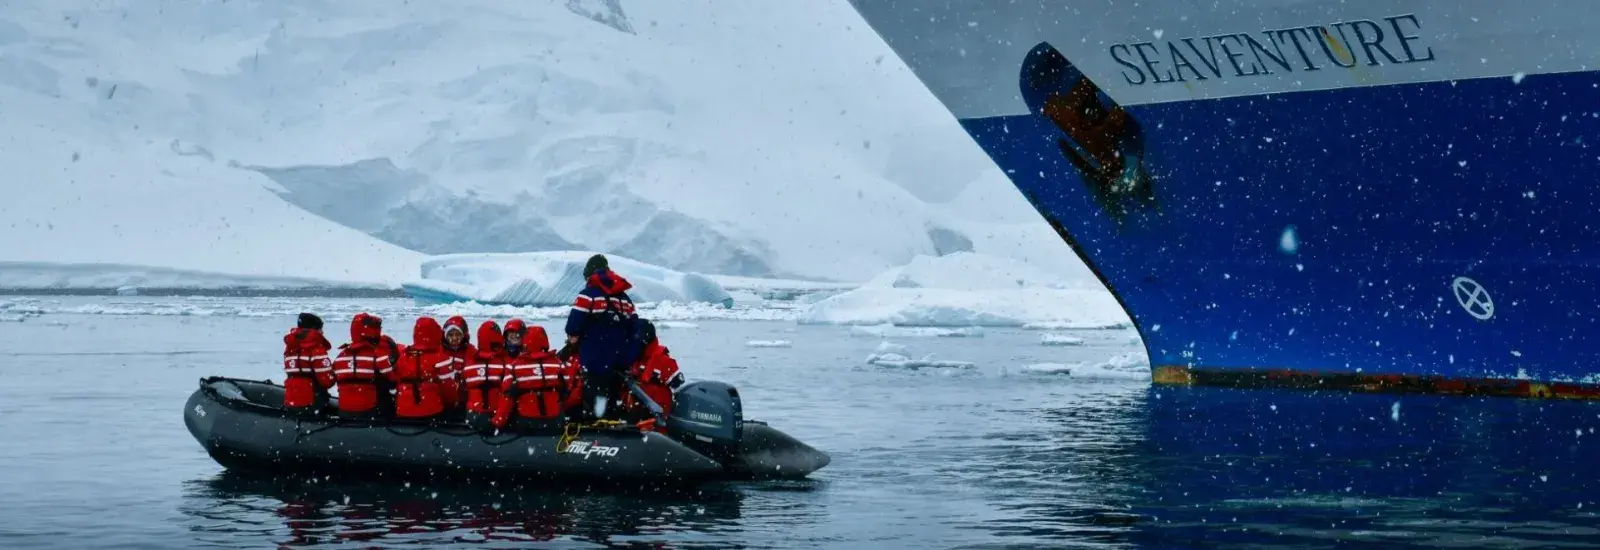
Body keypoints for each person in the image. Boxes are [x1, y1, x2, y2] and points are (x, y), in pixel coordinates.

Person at [563, 254, 642, 419]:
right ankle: (613, 433)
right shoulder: (625, 299)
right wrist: (627, 357)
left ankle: (594, 436)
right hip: (619, 363)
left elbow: (573, 327)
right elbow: (635, 330)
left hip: (594, 362)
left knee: (593, 406)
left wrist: (575, 339)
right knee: (612, 402)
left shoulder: (588, 295)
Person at [493, 323, 579, 431]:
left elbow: (507, 398)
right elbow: (567, 391)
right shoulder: (558, 364)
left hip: (526, 422)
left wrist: (497, 423)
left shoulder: (514, 367)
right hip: (555, 422)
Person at [331, 312, 400, 418]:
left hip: (344, 411)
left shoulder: (341, 356)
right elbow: (393, 380)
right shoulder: (378, 354)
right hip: (370, 410)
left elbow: (329, 380)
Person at [622, 319, 684, 429]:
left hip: (658, 422)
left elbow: (680, 391)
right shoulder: (633, 360)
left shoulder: (663, 361)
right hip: (636, 419)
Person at [391, 317, 449, 419]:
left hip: (404, 410)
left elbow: (397, 379)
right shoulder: (441, 357)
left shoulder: (404, 355)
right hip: (432, 411)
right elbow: (448, 388)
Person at [281, 313, 334, 417]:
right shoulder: (316, 349)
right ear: (314, 329)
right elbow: (327, 381)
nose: (322, 332)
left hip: (291, 399)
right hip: (312, 402)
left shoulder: (290, 348)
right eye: (320, 329)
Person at [461, 320, 507, 432]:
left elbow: (463, 388)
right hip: (496, 414)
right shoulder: (503, 362)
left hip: (474, 415)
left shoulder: (469, 362)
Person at [438, 315, 475, 411]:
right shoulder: (439, 350)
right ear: (445, 336)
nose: (454, 338)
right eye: (450, 335)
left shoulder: (471, 351)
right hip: (442, 396)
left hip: (463, 398)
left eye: (458, 334)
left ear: (464, 335)